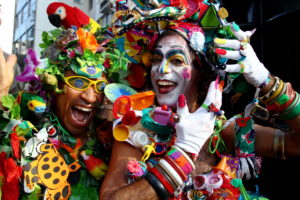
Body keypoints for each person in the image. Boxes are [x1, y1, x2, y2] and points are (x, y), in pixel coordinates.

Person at [100, 0, 300, 199]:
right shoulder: (135, 128)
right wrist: (183, 153)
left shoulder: (223, 133)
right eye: (156, 59)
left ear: (202, 72)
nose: (161, 70)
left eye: (177, 60)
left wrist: (267, 82)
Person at [0, 8, 129, 200]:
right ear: (54, 84)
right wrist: (2, 94)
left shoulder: (114, 145)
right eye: (78, 82)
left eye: (100, 86)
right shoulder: (22, 139)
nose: (90, 97)